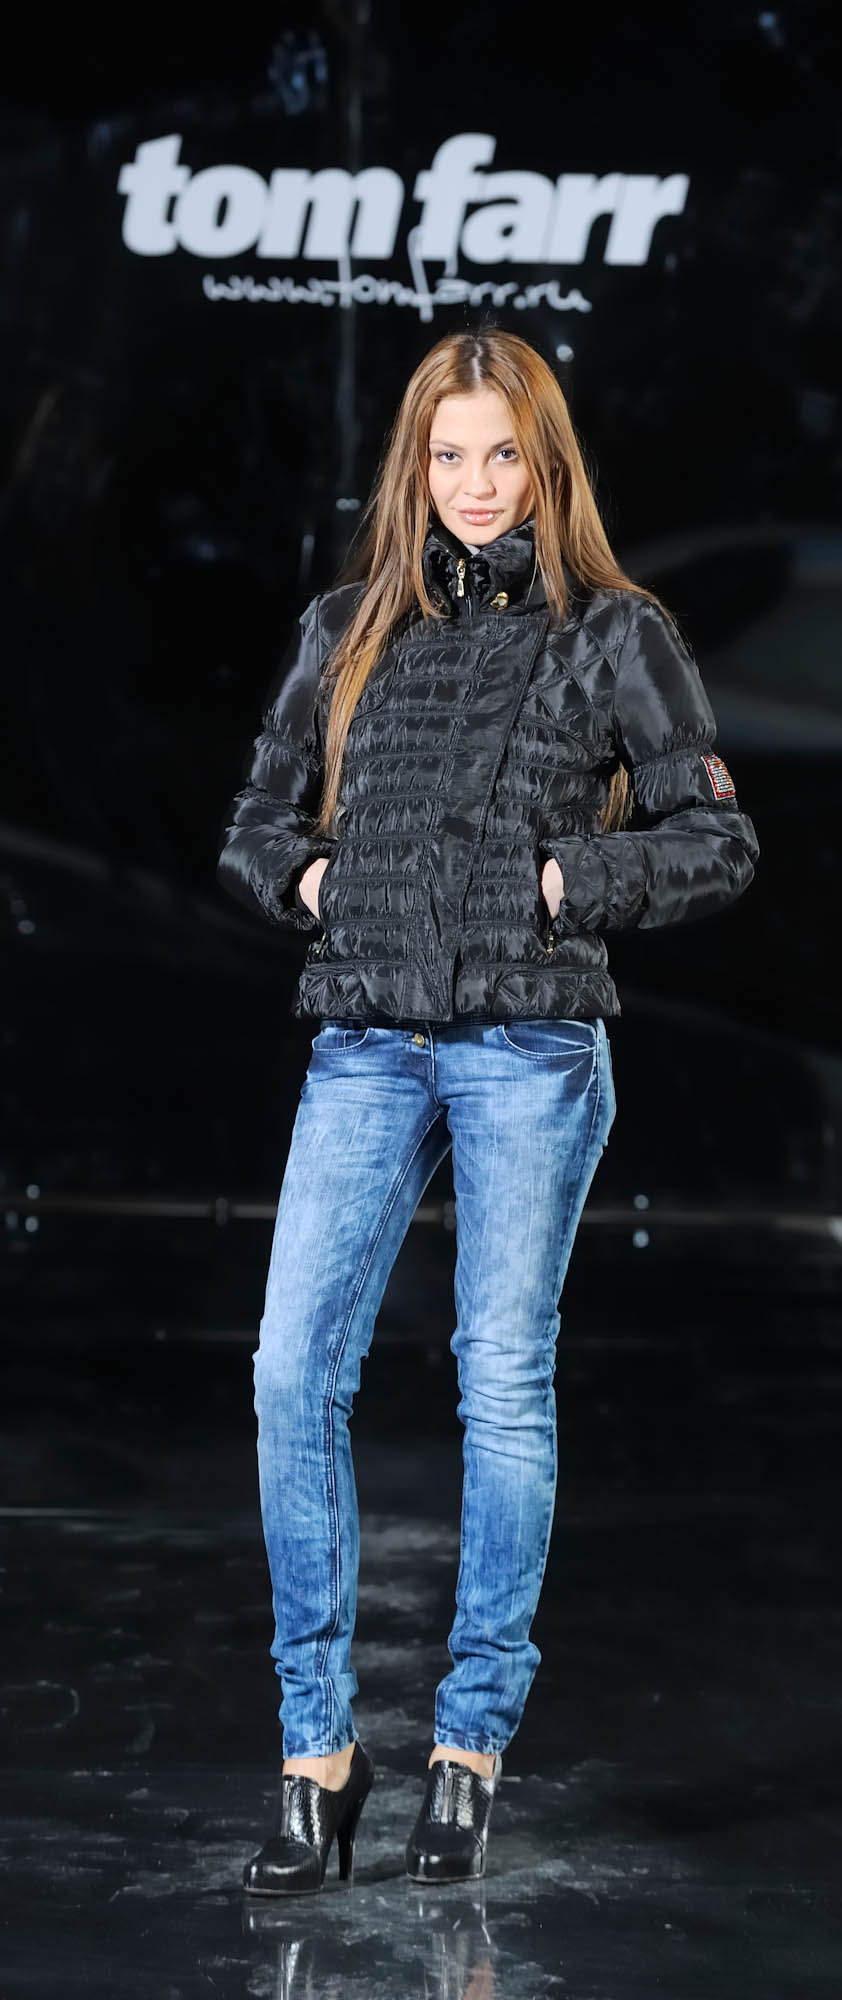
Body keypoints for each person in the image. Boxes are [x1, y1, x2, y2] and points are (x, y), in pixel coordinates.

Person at [217, 326, 760, 1894]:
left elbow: (716, 843)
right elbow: (254, 824)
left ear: (544, 464)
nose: (473, 484)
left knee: (500, 1386)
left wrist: (565, 880)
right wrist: (316, 884)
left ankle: (467, 1747)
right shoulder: (345, 629)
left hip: (529, 1047)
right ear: (414, 466)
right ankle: (315, 1753)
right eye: (446, 455)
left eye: (501, 454)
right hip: (367, 1043)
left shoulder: (615, 634)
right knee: (288, 1373)